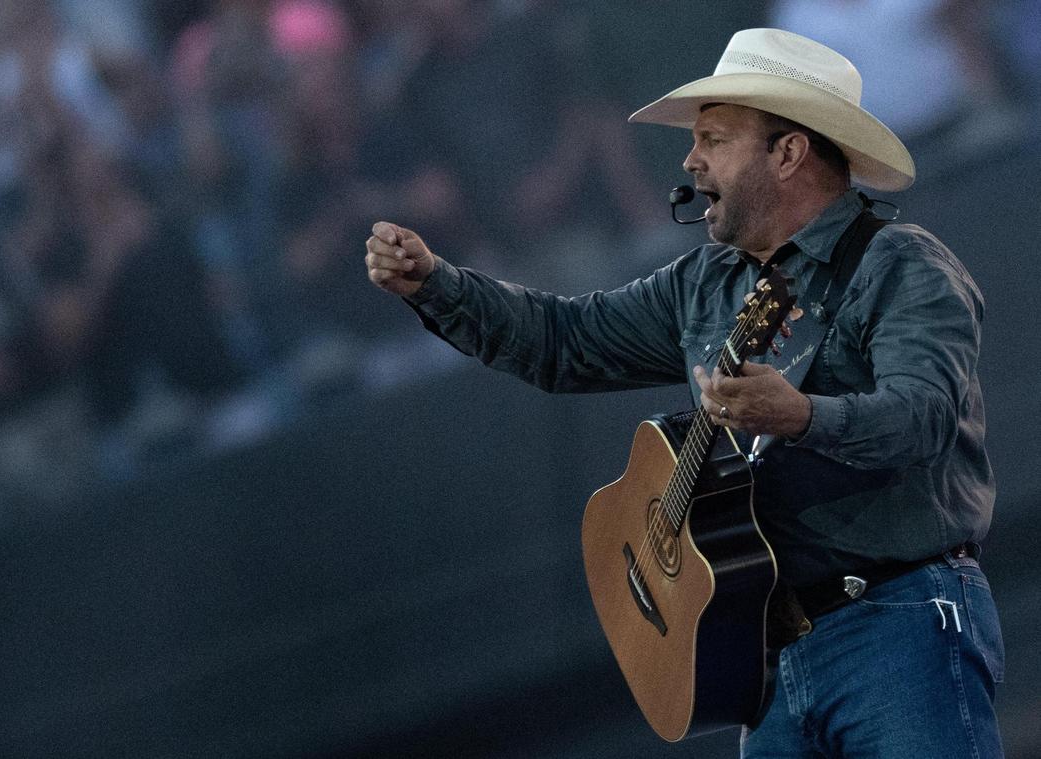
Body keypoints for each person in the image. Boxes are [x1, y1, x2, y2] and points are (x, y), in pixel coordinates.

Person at [363, 27, 1004, 759]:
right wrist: (437, 283)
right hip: (767, 663)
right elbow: (562, 341)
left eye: (713, 139)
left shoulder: (902, 266)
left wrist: (796, 414)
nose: (689, 160)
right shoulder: (703, 283)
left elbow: (921, 419)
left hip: (898, 621)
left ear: (788, 153)